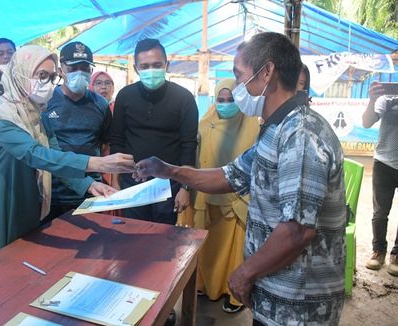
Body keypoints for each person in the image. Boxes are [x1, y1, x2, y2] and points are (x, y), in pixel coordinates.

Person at [133, 32, 346, 325]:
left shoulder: (301, 135)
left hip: (299, 303)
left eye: (238, 74)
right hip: (276, 294)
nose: (235, 86)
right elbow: (228, 176)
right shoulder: (275, 130)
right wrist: (169, 170)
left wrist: (245, 273)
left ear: (267, 72)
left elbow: (297, 231)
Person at [0, 45, 135, 273]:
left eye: (51, 77)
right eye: (41, 76)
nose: (47, 83)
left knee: (16, 268)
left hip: (19, 197)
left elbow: (55, 154)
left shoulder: (38, 115)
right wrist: (98, 163)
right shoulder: (2, 116)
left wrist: (89, 184)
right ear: (20, 74)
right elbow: (36, 155)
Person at [185, 79, 259, 313]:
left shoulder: (254, 128)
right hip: (206, 197)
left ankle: (233, 293)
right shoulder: (203, 125)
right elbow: (194, 159)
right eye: (221, 100)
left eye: (232, 100)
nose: (226, 105)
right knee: (207, 247)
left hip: (237, 200)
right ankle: (205, 285)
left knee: (234, 251)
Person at [109, 38, 198, 225]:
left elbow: (188, 146)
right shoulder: (125, 96)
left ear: (167, 65)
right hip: (132, 183)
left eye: (157, 65)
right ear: (136, 68)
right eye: (145, 66)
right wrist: (115, 182)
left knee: (164, 240)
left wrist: (185, 188)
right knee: (133, 236)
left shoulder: (184, 98)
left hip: (169, 186)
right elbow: (117, 140)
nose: (151, 71)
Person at [41, 42, 112, 220]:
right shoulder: (45, 103)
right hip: (53, 194)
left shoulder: (101, 104)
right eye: (73, 67)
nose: (79, 72)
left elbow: (104, 146)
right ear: (60, 70)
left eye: (85, 67)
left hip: (92, 193)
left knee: (93, 244)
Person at [362, 82, 398, 276]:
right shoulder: (387, 99)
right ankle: (379, 251)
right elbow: (367, 122)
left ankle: (397, 254)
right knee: (380, 212)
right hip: (384, 163)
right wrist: (372, 99)